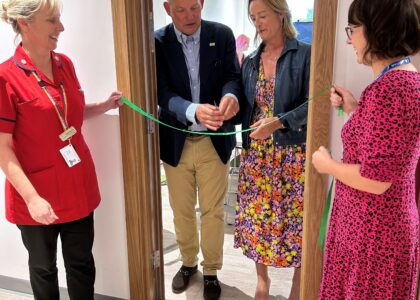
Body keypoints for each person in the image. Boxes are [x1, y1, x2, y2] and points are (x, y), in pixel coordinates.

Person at [0, 0, 123, 299]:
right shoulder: (6, 77)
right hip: (36, 196)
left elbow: (68, 114)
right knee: (43, 268)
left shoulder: (64, 64)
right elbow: (3, 149)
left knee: (81, 265)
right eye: (52, 21)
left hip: (77, 186)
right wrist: (32, 199)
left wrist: (103, 106)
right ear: (25, 24)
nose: (61, 28)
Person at [312, 0, 420, 298]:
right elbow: (386, 147)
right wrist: (356, 110)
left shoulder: (390, 90)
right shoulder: (403, 81)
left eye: (353, 29)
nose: (349, 39)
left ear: (377, 29)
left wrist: (327, 164)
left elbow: (377, 179)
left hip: (372, 238)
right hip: (376, 233)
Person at [154, 0, 241, 299]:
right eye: (180, 9)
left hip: (214, 141)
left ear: (202, 3)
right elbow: (161, 91)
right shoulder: (157, 41)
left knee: (213, 211)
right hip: (176, 141)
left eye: (194, 7)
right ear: (167, 8)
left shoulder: (223, 34)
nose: (189, 16)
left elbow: (233, 77)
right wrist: (192, 110)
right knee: (180, 210)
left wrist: (230, 96)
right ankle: (188, 263)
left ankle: (212, 270)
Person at [234, 0, 310, 299]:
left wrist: (278, 123)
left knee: (296, 220)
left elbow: (312, 104)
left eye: (263, 15)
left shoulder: (305, 54)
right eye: (253, 17)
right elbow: (245, 102)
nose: (257, 23)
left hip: (292, 155)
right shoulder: (252, 60)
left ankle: (297, 282)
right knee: (258, 219)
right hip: (258, 156)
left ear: (281, 13)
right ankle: (261, 279)